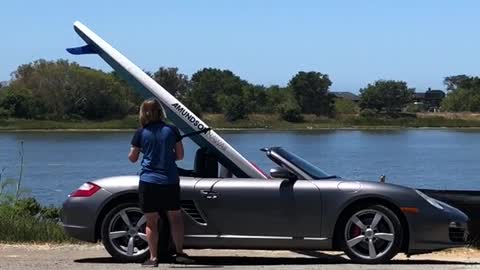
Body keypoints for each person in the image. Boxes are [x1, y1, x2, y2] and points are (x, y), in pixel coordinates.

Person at [128, 98, 194, 266]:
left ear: (143, 113)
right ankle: (179, 252)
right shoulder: (172, 130)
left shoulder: (140, 133)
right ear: (161, 111)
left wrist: (143, 150)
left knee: (151, 222)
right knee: (175, 218)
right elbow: (180, 156)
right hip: (169, 181)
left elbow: (133, 158)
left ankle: (153, 257)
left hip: (148, 182)